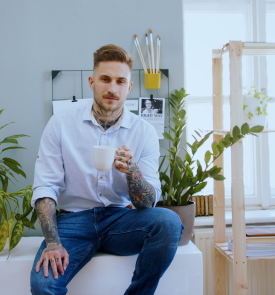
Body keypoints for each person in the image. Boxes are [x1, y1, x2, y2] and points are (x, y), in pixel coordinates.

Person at [30, 44, 182, 295]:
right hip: (72, 221)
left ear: (129, 87)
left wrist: (133, 172)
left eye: (120, 81)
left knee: (168, 221)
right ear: (92, 82)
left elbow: (148, 204)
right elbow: (46, 186)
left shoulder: (143, 132)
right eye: (105, 79)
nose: (112, 88)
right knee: (43, 285)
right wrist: (53, 243)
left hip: (120, 221)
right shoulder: (61, 123)